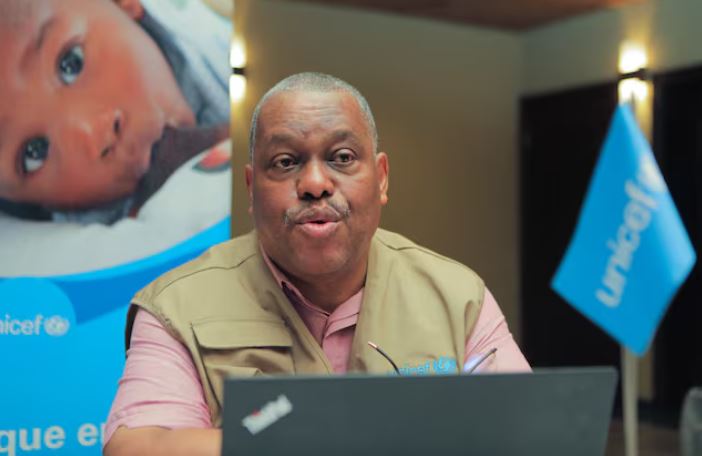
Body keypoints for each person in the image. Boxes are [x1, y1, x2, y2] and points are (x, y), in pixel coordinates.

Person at [103, 72, 531, 456]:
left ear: (381, 177)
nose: (314, 184)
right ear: (251, 188)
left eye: (342, 157)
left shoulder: (455, 296)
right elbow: (139, 446)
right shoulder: (179, 305)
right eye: (286, 162)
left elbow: (529, 433)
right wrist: (323, 436)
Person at [0, 0, 230, 225]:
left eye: (71, 64)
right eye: (34, 153)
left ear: (123, 4)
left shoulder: (218, 37)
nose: (90, 134)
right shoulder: (96, 247)